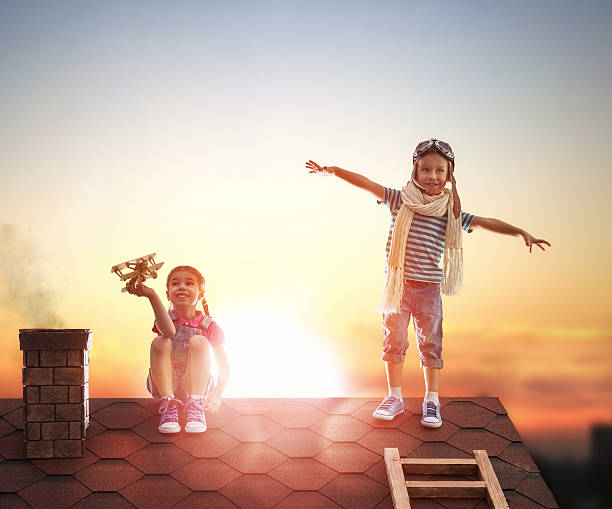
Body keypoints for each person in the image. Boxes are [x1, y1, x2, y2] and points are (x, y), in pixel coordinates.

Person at [306, 138, 550, 428]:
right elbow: (367, 183)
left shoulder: (450, 212)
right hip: (398, 287)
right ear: (415, 172)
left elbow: (485, 222)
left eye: (439, 171)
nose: (432, 177)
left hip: (429, 291)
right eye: (425, 170)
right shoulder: (399, 200)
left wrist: (521, 232)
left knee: (431, 344)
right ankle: (394, 397)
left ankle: (431, 400)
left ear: (449, 176)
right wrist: (333, 171)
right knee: (393, 341)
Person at [127, 265, 230, 433]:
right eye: (175, 284)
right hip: (166, 383)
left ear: (201, 292)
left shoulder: (208, 325)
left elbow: (224, 366)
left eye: (189, 283)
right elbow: (169, 331)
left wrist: (218, 392)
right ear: (167, 293)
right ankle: (168, 404)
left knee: (199, 342)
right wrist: (152, 296)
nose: (182, 286)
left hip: (197, 384)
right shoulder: (164, 319)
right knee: (161, 342)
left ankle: (196, 405)